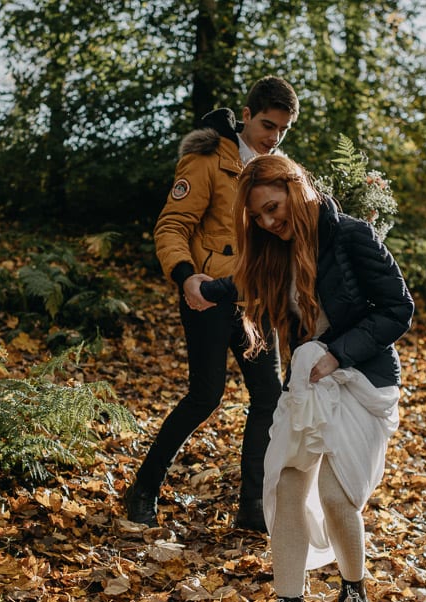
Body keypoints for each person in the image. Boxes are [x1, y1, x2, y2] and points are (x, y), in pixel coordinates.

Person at [198, 154, 414, 602]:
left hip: (361, 378)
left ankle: (354, 595)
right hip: (307, 380)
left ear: (296, 187)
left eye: (274, 208)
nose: (271, 222)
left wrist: (339, 352)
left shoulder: (353, 236)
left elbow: (398, 308)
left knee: (337, 497)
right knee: (289, 485)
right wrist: (199, 285)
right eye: (260, 218)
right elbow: (243, 284)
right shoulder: (272, 250)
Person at [123, 76, 300, 532]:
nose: (273, 137)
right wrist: (186, 278)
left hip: (257, 303)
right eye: (266, 124)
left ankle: (253, 508)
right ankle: (143, 489)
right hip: (207, 296)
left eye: (282, 129)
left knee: (268, 397)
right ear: (245, 115)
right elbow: (171, 226)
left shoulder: (280, 170)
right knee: (205, 396)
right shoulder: (206, 160)